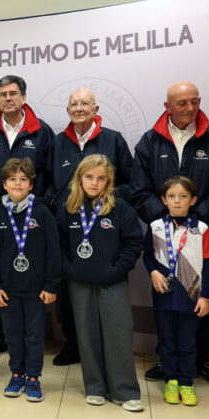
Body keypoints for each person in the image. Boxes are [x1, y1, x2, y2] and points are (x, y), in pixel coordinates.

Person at [131, 82, 209, 388]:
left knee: (203, 298)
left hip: (201, 234)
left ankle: (207, 359)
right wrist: (164, 220)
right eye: (182, 103)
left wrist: (195, 219)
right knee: (168, 299)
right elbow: (139, 189)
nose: (190, 108)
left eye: (194, 102)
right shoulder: (150, 141)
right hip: (164, 237)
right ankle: (168, 359)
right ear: (168, 107)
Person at [44, 89, 138, 366]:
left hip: (106, 228)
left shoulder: (112, 139)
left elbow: (129, 181)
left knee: (106, 293)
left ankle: (104, 349)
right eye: (73, 103)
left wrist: (108, 201)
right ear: (67, 110)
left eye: (85, 103)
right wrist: (54, 201)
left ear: (96, 108)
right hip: (71, 227)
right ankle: (74, 346)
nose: (79, 108)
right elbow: (47, 180)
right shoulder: (59, 141)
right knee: (71, 292)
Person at [0, 75, 55, 360]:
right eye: (3, 94)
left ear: (24, 98)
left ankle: (32, 341)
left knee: (28, 274)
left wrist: (40, 205)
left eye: (13, 93)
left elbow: (51, 175)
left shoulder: (42, 132)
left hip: (32, 217)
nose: (8, 98)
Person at [56, 155, 143, 412]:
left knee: (119, 333)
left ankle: (125, 391)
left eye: (101, 178)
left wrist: (117, 270)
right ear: (79, 178)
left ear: (109, 181)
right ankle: (94, 387)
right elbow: (59, 245)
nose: (95, 183)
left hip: (112, 281)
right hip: (79, 282)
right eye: (89, 177)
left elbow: (133, 242)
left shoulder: (120, 208)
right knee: (86, 334)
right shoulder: (68, 208)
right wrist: (70, 268)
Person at [0, 158, 60, 402]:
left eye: (23, 179)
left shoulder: (41, 212)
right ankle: (17, 373)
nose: (18, 183)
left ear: (31, 184)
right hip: (7, 290)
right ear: (4, 184)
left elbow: (53, 251)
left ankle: (34, 378)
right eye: (12, 179)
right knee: (13, 334)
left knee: (35, 334)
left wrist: (50, 285)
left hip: (36, 289)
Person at [141, 176, 209, 407]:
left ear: (193, 200)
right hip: (163, 295)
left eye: (183, 196)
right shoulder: (155, 227)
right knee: (167, 341)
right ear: (164, 200)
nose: (177, 201)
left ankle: (186, 382)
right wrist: (153, 272)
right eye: (172, 196)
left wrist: (205, 297)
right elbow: (147, 255)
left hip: (191, 297)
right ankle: (171, 381)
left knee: (187, 342)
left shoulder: (202, 229)